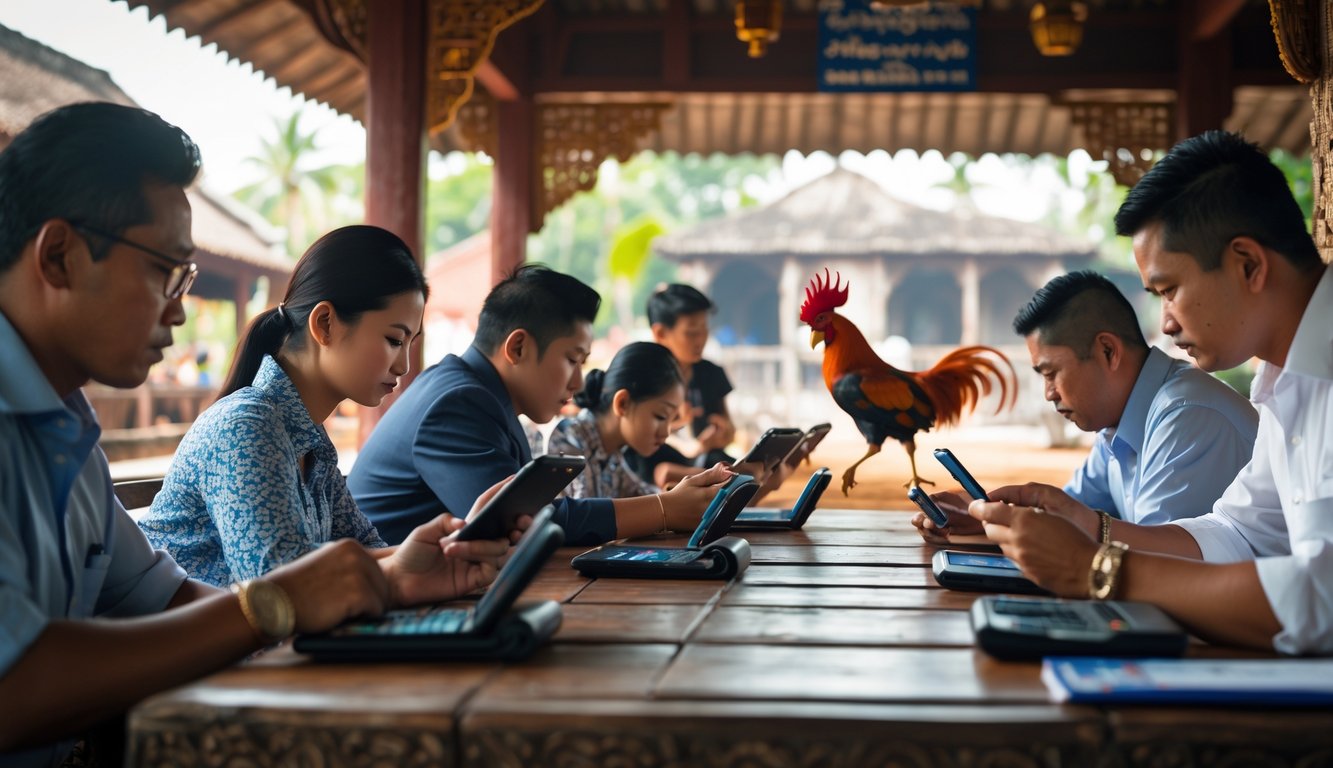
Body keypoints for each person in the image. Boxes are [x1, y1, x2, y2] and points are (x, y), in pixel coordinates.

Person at [0, 103, 508, 763]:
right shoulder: (245, 427)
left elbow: (160, 599)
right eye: (167, 272)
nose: (181, 310)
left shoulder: (65, 429)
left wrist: (388, 582)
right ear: (61, 256)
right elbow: (12, 687)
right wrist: (273, 607)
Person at [969, 130, 1331, 653]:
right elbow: (1237, 536)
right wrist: (1088, 526)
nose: (1165, 323)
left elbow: (1322, 600)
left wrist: (1094, 567)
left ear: (1247, 265)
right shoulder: (1286, 385)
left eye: (1170, 290)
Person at [138, 225, 505, 588]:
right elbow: (282, 590)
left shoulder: (308, 438)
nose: (404, 366)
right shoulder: (246, 426)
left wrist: (451, 551)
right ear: (325, 323)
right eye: (395, 339)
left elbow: (366, 548)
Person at [348, 265, 733, 546]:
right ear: (517, 347)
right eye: (572, 359)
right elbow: (523, 520)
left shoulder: (483, 398)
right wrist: (664, 509)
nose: (579, 382)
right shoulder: (458, 403)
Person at [912, 270, 1257, 543]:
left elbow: (1159, 563)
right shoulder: (1117, 421)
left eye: (1052, 373)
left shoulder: (1186, 416)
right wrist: (977, 517)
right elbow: (1069, 515)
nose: (1049, 393)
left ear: (1107, 351)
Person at [625, 284, 742, 488]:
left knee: (727, 464)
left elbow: (729, 429)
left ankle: (725, 480)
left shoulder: (711, 373)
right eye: (691, 333)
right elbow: (635, 439)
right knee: (666, 471)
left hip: (704, 461)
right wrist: (691, 445)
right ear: (660, 333)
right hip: (653, 466)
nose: (701, 340)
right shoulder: (644, 376)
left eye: (704, 330)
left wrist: (724, 433)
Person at [548, 341, 684, 500]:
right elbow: (583, 518)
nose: (665, 433)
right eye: (660, 416)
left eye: (671, 420)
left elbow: (643, 494)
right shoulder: (570, 441)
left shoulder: (612, 454)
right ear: (622, 403)